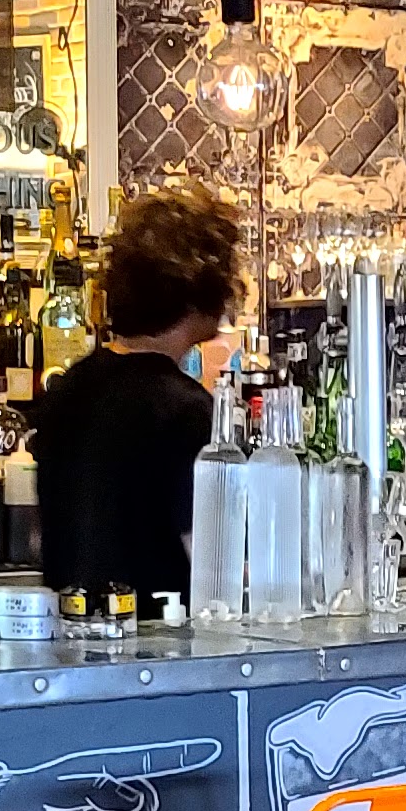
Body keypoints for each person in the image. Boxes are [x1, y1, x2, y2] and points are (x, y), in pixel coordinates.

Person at [27, 184, 240, 604]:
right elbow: (211, 564)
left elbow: (45, 538)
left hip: (73, 632)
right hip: (158, 636)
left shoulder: (68, 389)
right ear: (198, 290)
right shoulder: (186, 410)